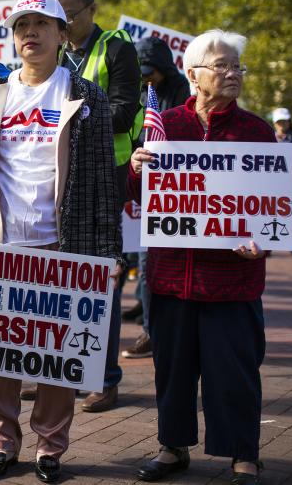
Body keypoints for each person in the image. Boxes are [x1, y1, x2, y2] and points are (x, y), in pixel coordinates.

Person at [0, 0, 121, 481]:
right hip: (0, 243)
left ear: (62, 34)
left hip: (62, 240)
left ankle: (50, 448)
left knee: (57, 355)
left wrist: (107, 253)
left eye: (41, 24)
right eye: (21, 26)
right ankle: (4, 442)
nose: (29, 33)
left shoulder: (86, 96)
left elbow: (101, 179)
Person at [127, 30, 272, 485]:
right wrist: (135, 170)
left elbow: (273, 207)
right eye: (222, 66)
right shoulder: (165, 125)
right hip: (172, 277)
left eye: (237, 68)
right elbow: (138, 199)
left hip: (233, 280)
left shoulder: (257, 132)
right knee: (173, 371)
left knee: (235, 372)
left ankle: (243, 453)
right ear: (193, 75)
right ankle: (172, 447)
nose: (232, 74)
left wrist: (264, 240)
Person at [53, 0, 142, 412]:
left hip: (106, 175)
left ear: (93, 10)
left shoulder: (117, 49)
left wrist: (68, 117)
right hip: (58, 178)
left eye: (72, 16)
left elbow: (125, 112)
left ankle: (105, 379)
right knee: (59, 276)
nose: (66, 25)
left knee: (100, 275)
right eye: (60, 17)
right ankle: (62, 375)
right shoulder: (52, 49)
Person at [122, 37, 191, 360]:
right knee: (146, 265)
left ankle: (170, 332)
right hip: (146, 187)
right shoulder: (141, 91)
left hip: (177, 191)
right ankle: (152, 331)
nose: (148, 78)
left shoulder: (182, 92)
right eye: (143, 72)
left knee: (166, 267)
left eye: (152, 72)